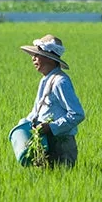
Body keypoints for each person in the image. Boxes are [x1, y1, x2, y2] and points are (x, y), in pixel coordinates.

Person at [19, 34, 85, 168]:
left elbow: (77, 114)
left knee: (61, 181)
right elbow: (37, 111)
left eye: (37, 55)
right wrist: (24, 124)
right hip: (44, 141)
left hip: (61, 144)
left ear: (49, 59)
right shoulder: (45, 80)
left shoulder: (61, 82)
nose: (33, 58)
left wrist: (51, 127)